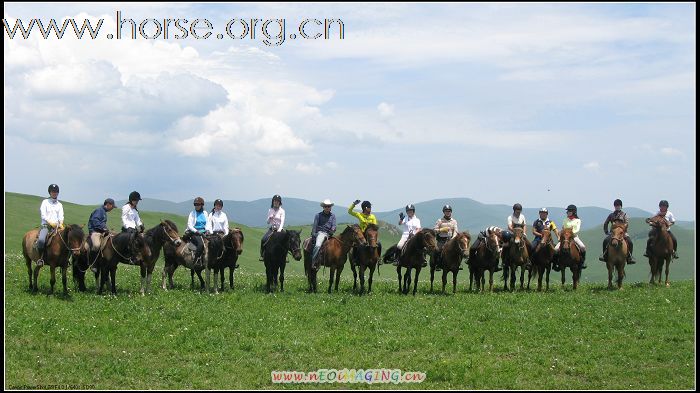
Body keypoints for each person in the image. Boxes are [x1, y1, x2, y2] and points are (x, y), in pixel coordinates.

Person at [599, 199, 636, 264]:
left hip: (622, 233)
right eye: (616, 206)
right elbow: (606, 223)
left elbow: (626, 223)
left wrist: (623, 230)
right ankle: (604, 255)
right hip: (613, 233)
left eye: (618, 206)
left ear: (621, 206)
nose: (617, 207)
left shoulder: (624, 215)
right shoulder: (611, 215)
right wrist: (606, 231)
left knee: (630, 242)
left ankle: (630, 257)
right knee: (605, 241)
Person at [36, 184, 65, 266]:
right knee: (41, 240)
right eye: (53, 192)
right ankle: (40, 259)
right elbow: (43, 215)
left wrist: (61, 223)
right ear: (50, 192)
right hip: (46, 226)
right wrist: (50, 222)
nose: (54, 193)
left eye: (56, 192)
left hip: (57, 227)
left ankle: (66, 260)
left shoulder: (60, 205)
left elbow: (61, 216)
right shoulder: (45, 202)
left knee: (67, 239)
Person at [553, 204, 586, 270]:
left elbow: (577, 229)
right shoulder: (565, 219)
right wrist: (561, 234)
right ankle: (555, 263)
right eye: (567, 211)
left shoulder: (577, 220)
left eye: (569, 211)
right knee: (556, 249)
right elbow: (563, 228)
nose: (567, 212)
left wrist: (570, 233)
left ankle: (582, 262)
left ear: (573, 212)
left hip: (574, 237)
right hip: (565, 238)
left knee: (582, 247)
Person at [348, 199, 379, 265]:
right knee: (355, 245)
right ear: (365, 208)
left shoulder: (372, 216)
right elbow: (349, 211)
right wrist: (354, 204)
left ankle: (378, 259)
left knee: (379, 244)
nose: (371, 209)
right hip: (362, 234)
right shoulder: (359, 214)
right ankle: (355, 259)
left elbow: (375, 226)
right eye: (369, 207)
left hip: (371, 235)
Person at [311, 199, 337, 269]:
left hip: (329, 234)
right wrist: (314, 234)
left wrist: (333, 230)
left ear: (331, 207)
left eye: (329, 206)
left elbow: (334, 225)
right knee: (317, 246)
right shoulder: (318, 215)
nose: (327, 208)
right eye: (326, 206)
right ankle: (313, 261)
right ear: (323, 207)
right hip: (321, 233)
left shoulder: (333, 216)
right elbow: (315, 226)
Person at [506, 203, 533, 267]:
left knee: (530, 245)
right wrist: (515, 232)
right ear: (514, 210)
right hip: (513, 234)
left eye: (519, 211)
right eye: (517, 211)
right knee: (507, 245)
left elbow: (524, 225)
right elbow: (509, 226)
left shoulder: (522, 216)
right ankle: (506, 260)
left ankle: (528, 260)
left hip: (521, 234)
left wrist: (524, 233)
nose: (518, 213)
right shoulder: (510, 217)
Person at [187, 197, 211, 266]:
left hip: (204, 232)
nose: (196, 206)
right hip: (194, 233)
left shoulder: (205, 213)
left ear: (202, 205)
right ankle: (196, 260)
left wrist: (207, 230)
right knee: (200, 244)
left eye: (198, 205)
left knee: (213, 242)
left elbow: (208, 223)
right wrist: (196, 231)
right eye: (195, 205)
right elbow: (189, 225)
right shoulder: (192, 213)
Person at [433, 205, 459, 270]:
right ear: (444, 212)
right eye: (446, 211)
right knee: (437, 250)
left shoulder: (454, 221)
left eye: (449, 211)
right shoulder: (440, 221)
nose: (448, 212)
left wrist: (453, 238)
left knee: (459, 250)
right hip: (441, 240)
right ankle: (437, 264)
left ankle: (458, 264)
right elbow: (434, 230)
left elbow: (456, 231)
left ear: (451, 212)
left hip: (451, 240)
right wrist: (441, 230)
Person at [260, 195, 285, 261]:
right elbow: (268, 222)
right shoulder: (270, 210)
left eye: (277, 201)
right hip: (272, 229)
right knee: (263, 239)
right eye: (274, 201)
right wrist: (269, 217)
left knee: (286, 241)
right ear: (273, 202)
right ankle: (262, 255)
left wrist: (279, 230)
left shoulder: (282, 211)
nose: (276, 202)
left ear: (279, 202)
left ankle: (285, 256)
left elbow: (282, 221)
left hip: (280, 229)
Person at [121, 191, 145, 261]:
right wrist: (127, 226)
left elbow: (137, 219)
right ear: (132, 200)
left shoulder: (135, 209)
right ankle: (129, 256)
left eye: (137, 200)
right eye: (136, 200)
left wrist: (140, 225)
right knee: (131, 241)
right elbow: (123, 217)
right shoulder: (126, 207)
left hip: (133, 228)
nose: (137, 202)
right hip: (127, 228)